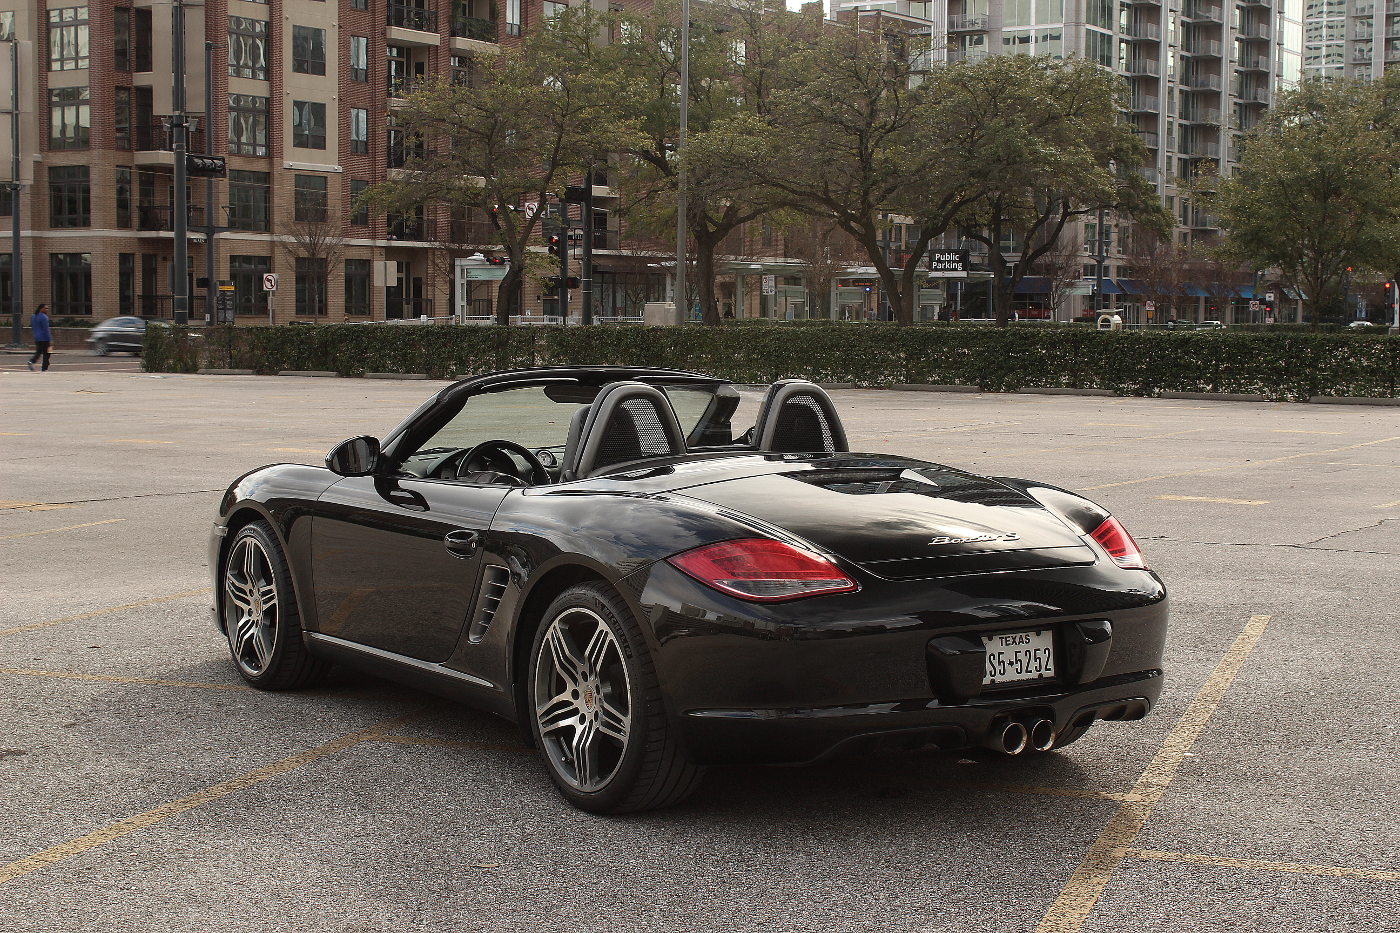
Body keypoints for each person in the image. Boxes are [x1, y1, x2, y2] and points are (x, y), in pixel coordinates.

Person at [27, 304, 51, 372]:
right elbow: (46, 329)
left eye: (47, 308)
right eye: (45, 308)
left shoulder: (33, 316)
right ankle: (45, 367)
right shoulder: (44, 317)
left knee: (39, 351)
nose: (47, 310)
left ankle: (32, 361)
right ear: (41, 309)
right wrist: (50, 339)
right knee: (48, 353)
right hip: (45, 338)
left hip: (37, 338)